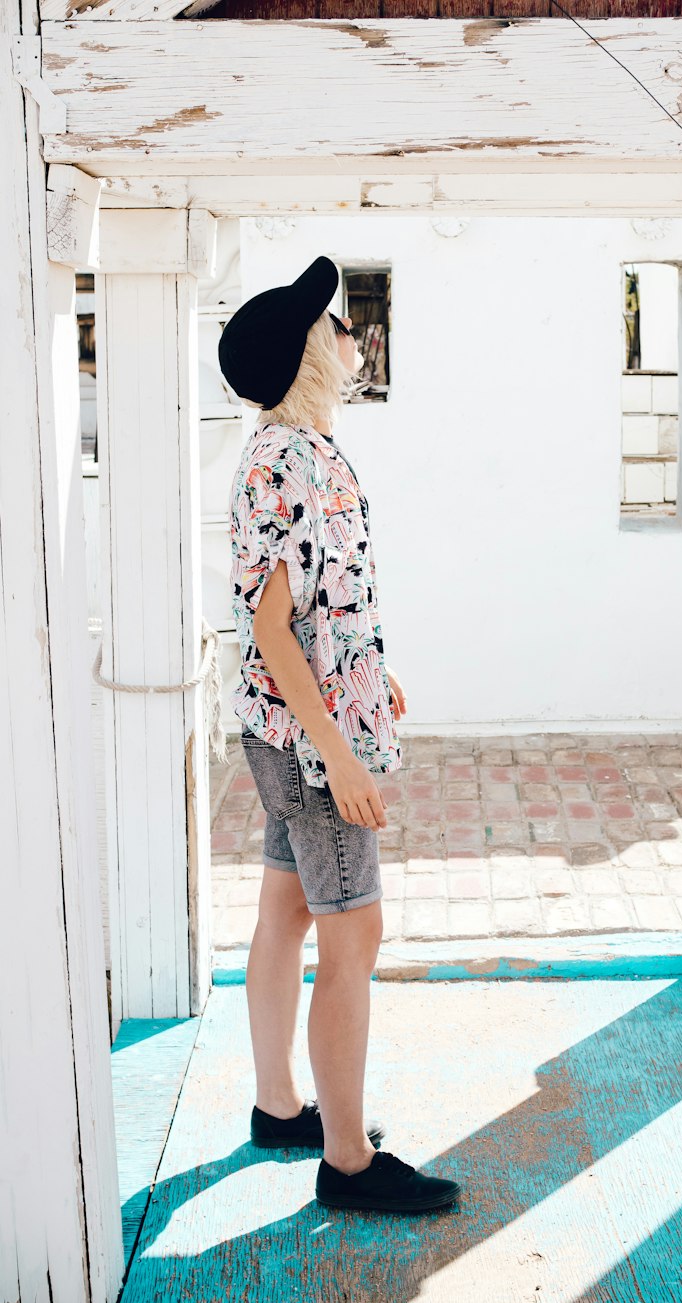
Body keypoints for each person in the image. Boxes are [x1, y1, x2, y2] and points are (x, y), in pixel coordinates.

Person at [219, 255, 461, 1214]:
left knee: (287, 908)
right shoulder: (296, 458)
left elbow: (314, 604)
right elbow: (275, 628)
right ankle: (347, 1161)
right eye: (334, 325)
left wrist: (370, 667)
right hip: (310, 740)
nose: (347, 334)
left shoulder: (279, 449)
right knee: (353, 928)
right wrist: (341, 753)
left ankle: (283, 1108)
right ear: (306, 353)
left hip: (281, 725)